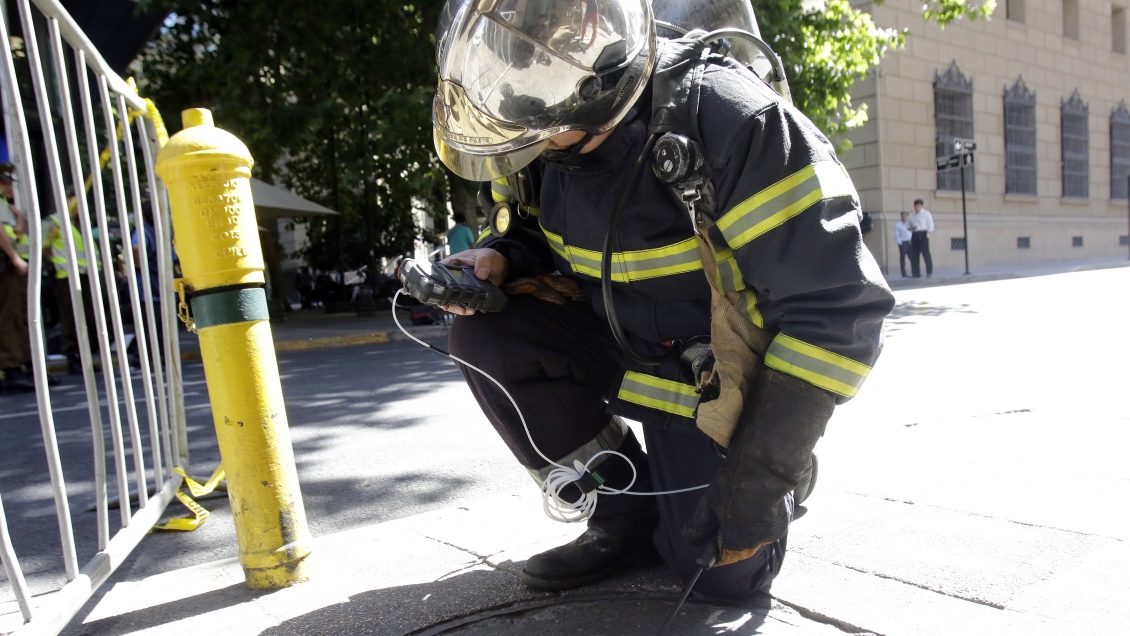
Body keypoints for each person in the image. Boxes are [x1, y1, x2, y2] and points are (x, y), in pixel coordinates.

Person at [431, 0, 893, 600]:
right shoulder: (538, 128)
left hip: (714, 380)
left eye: (540, 132)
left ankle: (773, 466)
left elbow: (836, 309)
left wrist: (763, 469)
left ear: (593, 92)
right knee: (488, 332)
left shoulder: (732, 121)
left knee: (721, 576)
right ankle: (623, 517)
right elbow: (536, 231)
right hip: (620, 346)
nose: (530, 147)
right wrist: (503, 257)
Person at [44, 198, 100, 375]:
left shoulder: (78, 222)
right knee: (71, 317)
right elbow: (41, 245)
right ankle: (73, 356)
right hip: (66, 275)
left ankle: (83, 355)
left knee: (87, 317)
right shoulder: (56, 221)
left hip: (85, 274)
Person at [0, 163, 34, 392]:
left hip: (9, 265)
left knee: (18, 316)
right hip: (6, 266)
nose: (10, 187)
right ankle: (11, 370)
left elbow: (17, 231)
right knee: (9, 317)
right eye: (5, 182)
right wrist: (15, 259)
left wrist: (19, 218)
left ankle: (19, 366)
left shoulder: (6, 205)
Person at [908, 199, 934, 278]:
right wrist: (911, 228)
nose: (916, 207)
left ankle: (929, 272)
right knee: (914, 255)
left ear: (921, 206)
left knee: (926, 254)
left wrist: (927, 235)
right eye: (915, 206)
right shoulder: (911, 215)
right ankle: (916, 273)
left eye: (918, 205)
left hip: (923, 234)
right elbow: (908, 225)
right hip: (915, 234)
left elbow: (930, 225)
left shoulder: (926, 214)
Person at [894, 211, 912, 278]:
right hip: (903, 242)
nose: (904, 217)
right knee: (903, 258)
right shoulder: (898, 225)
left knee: (912, 258)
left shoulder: (909, 224)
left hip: (910, 242)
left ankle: (915, 272)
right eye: (903, 216)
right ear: (901, 217)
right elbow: (896, 235)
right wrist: (900, 244)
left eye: (906, 216)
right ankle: (904, 273)